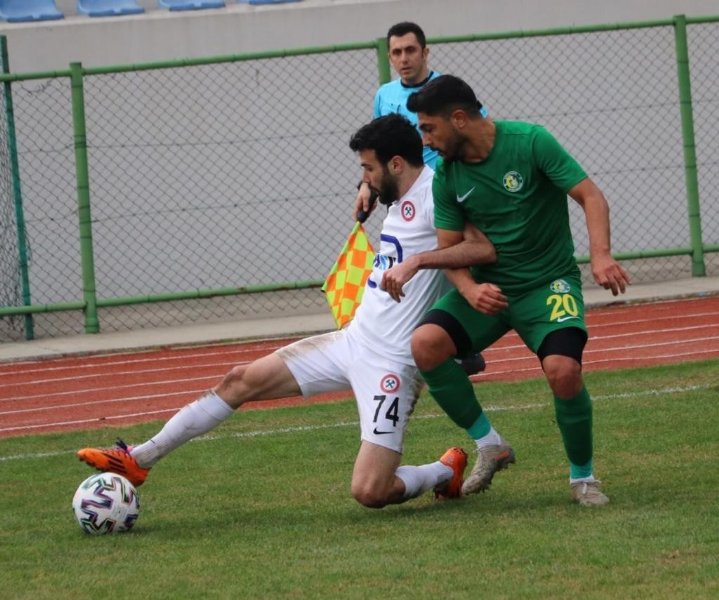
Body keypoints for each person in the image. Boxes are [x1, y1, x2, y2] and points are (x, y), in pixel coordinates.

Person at [76, 114, 498, 509]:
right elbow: (389, 194)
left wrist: (419, 264)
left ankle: (445, 468)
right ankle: (139, 459)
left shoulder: (434, 196)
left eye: (369, 169)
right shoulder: (397, 191)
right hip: (351, 340)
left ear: (397, 163)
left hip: (393, 366)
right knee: (239, 379)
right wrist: (372, 187)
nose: (363, 179)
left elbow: (480, 246)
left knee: (370, 491)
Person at [381, 74, 631, 507]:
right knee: (425, 344)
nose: (425, 140)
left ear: (458, 119)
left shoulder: (531, 142)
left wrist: (601, 255)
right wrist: (469, 288)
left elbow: (591, 196)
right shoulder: (448, 177)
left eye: (429, 128)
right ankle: (490, 443)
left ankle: (583, 477)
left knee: (563, 371)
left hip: (546, 285)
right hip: (487, 292)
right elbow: (450, 249)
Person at [356, 21, 487, 377]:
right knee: (411, 264)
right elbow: (377, 146)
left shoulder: (446, 90)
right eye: (396, 52)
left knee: (453, 259)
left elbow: (478, 133)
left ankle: (461, 342)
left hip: (444, 190)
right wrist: (366, 184)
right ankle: (421, 343)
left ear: (426, 52)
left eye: (410, 50)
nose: (403, 59)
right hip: (405, 197)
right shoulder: (385, 95)